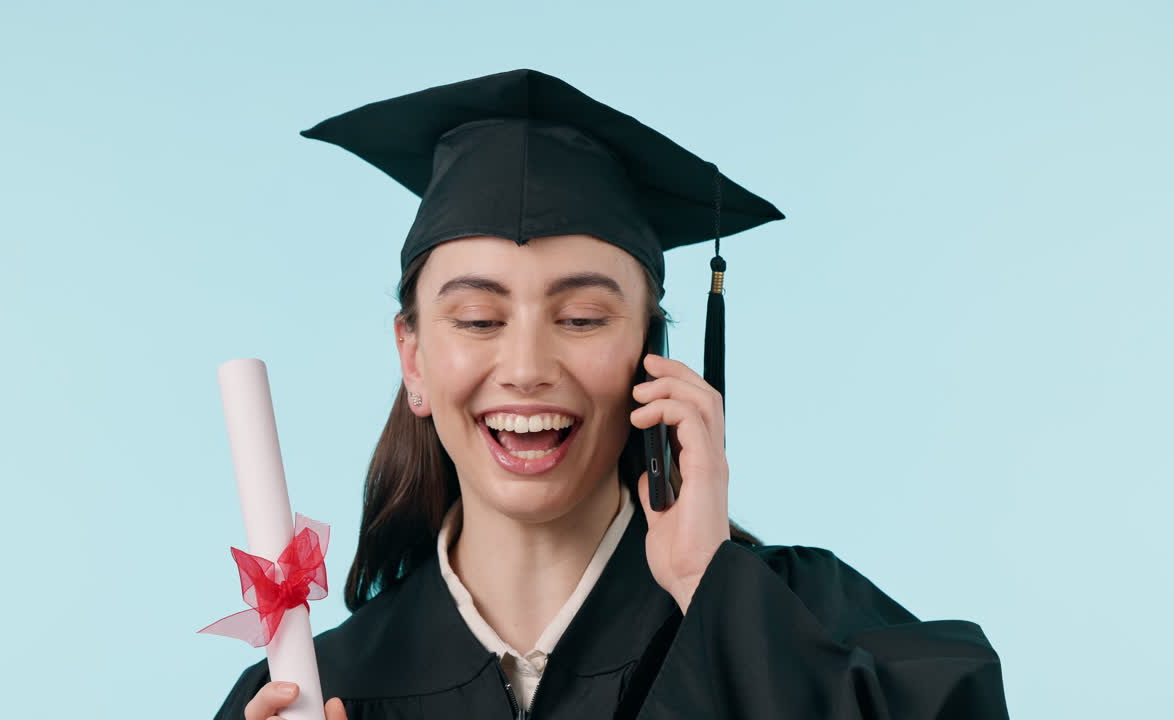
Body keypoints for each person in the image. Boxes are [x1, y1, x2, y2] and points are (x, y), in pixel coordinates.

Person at [212, 69, 1010, 720]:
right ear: (413, 359)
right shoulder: (313, 694)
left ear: (653, 356)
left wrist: (710, 589)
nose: (526, 366)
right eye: (480, 317)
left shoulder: (799, 627)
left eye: (584, 316)